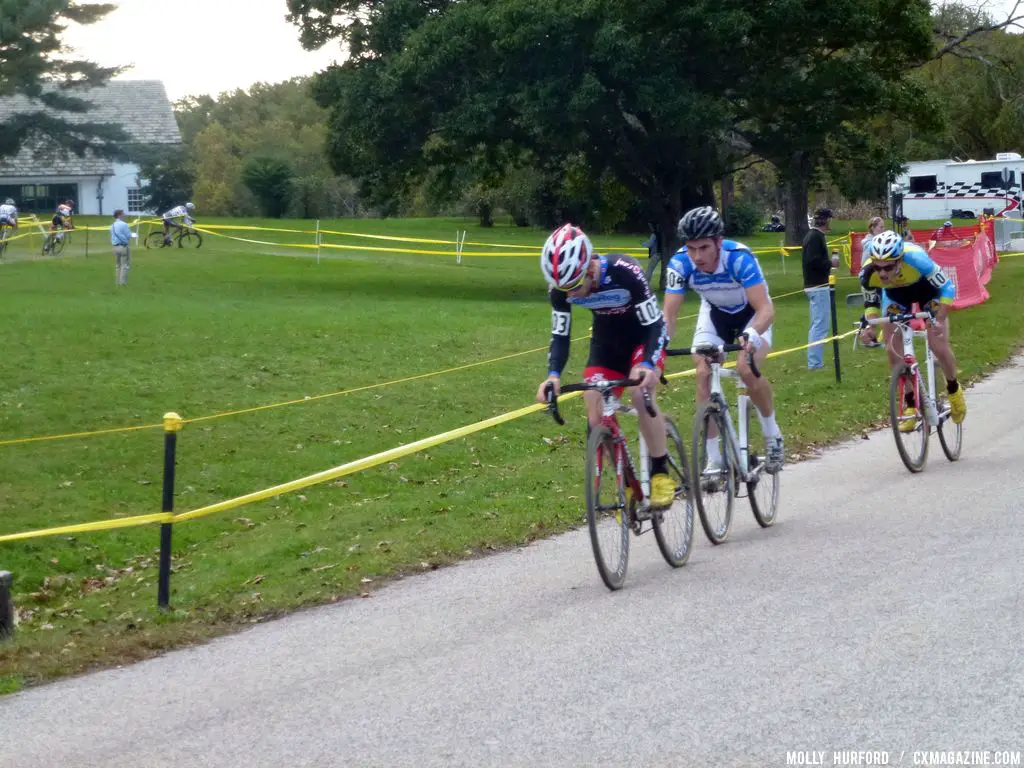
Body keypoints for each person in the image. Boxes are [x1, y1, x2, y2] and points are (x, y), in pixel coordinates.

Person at [534, 223, 675, 509]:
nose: (570, 296)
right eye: (564, 290)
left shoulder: (626, 271)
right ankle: (627, 486)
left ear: (589, 268)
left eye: (574, 287)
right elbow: (560, 335)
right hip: (606, 344)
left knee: (639, 394)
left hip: (644, 339)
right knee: (595, 407)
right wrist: (552, 376)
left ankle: (660, 472)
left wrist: (647, 363)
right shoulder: (562, 289)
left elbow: (655, 324)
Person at [662, 206, 784, 474]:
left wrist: (752, 334)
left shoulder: (739, 258)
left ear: (718, 242)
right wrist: (657, 346)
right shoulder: (679, 263)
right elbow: (669, 315)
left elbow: (766, 309)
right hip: (714, 314)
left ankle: (772, 434)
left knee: (745, 368)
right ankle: (714, 459)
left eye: (704, 247)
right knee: (703, 372)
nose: (697, 256)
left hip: (751, 315)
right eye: (691, 248)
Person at [858, 230, 966, 427]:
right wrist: (871, 327)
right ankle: (910, 403)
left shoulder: (917, 260)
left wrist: (939, 319)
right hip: (896, 297)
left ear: (899, 261)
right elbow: (871, 304)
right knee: (892, 349)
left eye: (888, 267)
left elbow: (948, 288)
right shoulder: (867, 273)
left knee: (937, 344)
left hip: (928, 292)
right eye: (878, 266)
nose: (882, 273)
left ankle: (954, 388)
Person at [801, 207, 840, 370]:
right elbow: (812, 261)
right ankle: (815, 363)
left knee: (817, 324)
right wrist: (830, 263)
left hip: (815, 285)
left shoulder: (815, 236)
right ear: (824, 220)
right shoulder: (815, 237)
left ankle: (815, 361)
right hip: (817, 286)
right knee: (820, 325)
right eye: (829, 219)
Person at [859, 216, 886, 348]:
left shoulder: (875, 242)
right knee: (879, 306)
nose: (883, 230)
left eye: (884, 227)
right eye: (881, 227)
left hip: (876, 277)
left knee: (873, 306)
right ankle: (880, 337)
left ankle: (870, 335)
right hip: (871, 279)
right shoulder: (869, 243)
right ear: (872, 228)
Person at [110, 209, 136, 286]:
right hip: (123, 246)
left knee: (118, 265)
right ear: (119, 215)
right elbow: (128, 235)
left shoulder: (112, 225)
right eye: (123, 214)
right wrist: (133, 235)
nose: (124, 215)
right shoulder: (124, 224)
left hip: (115, 247)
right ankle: (123, 283)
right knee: (124, 265)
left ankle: (117, 282)